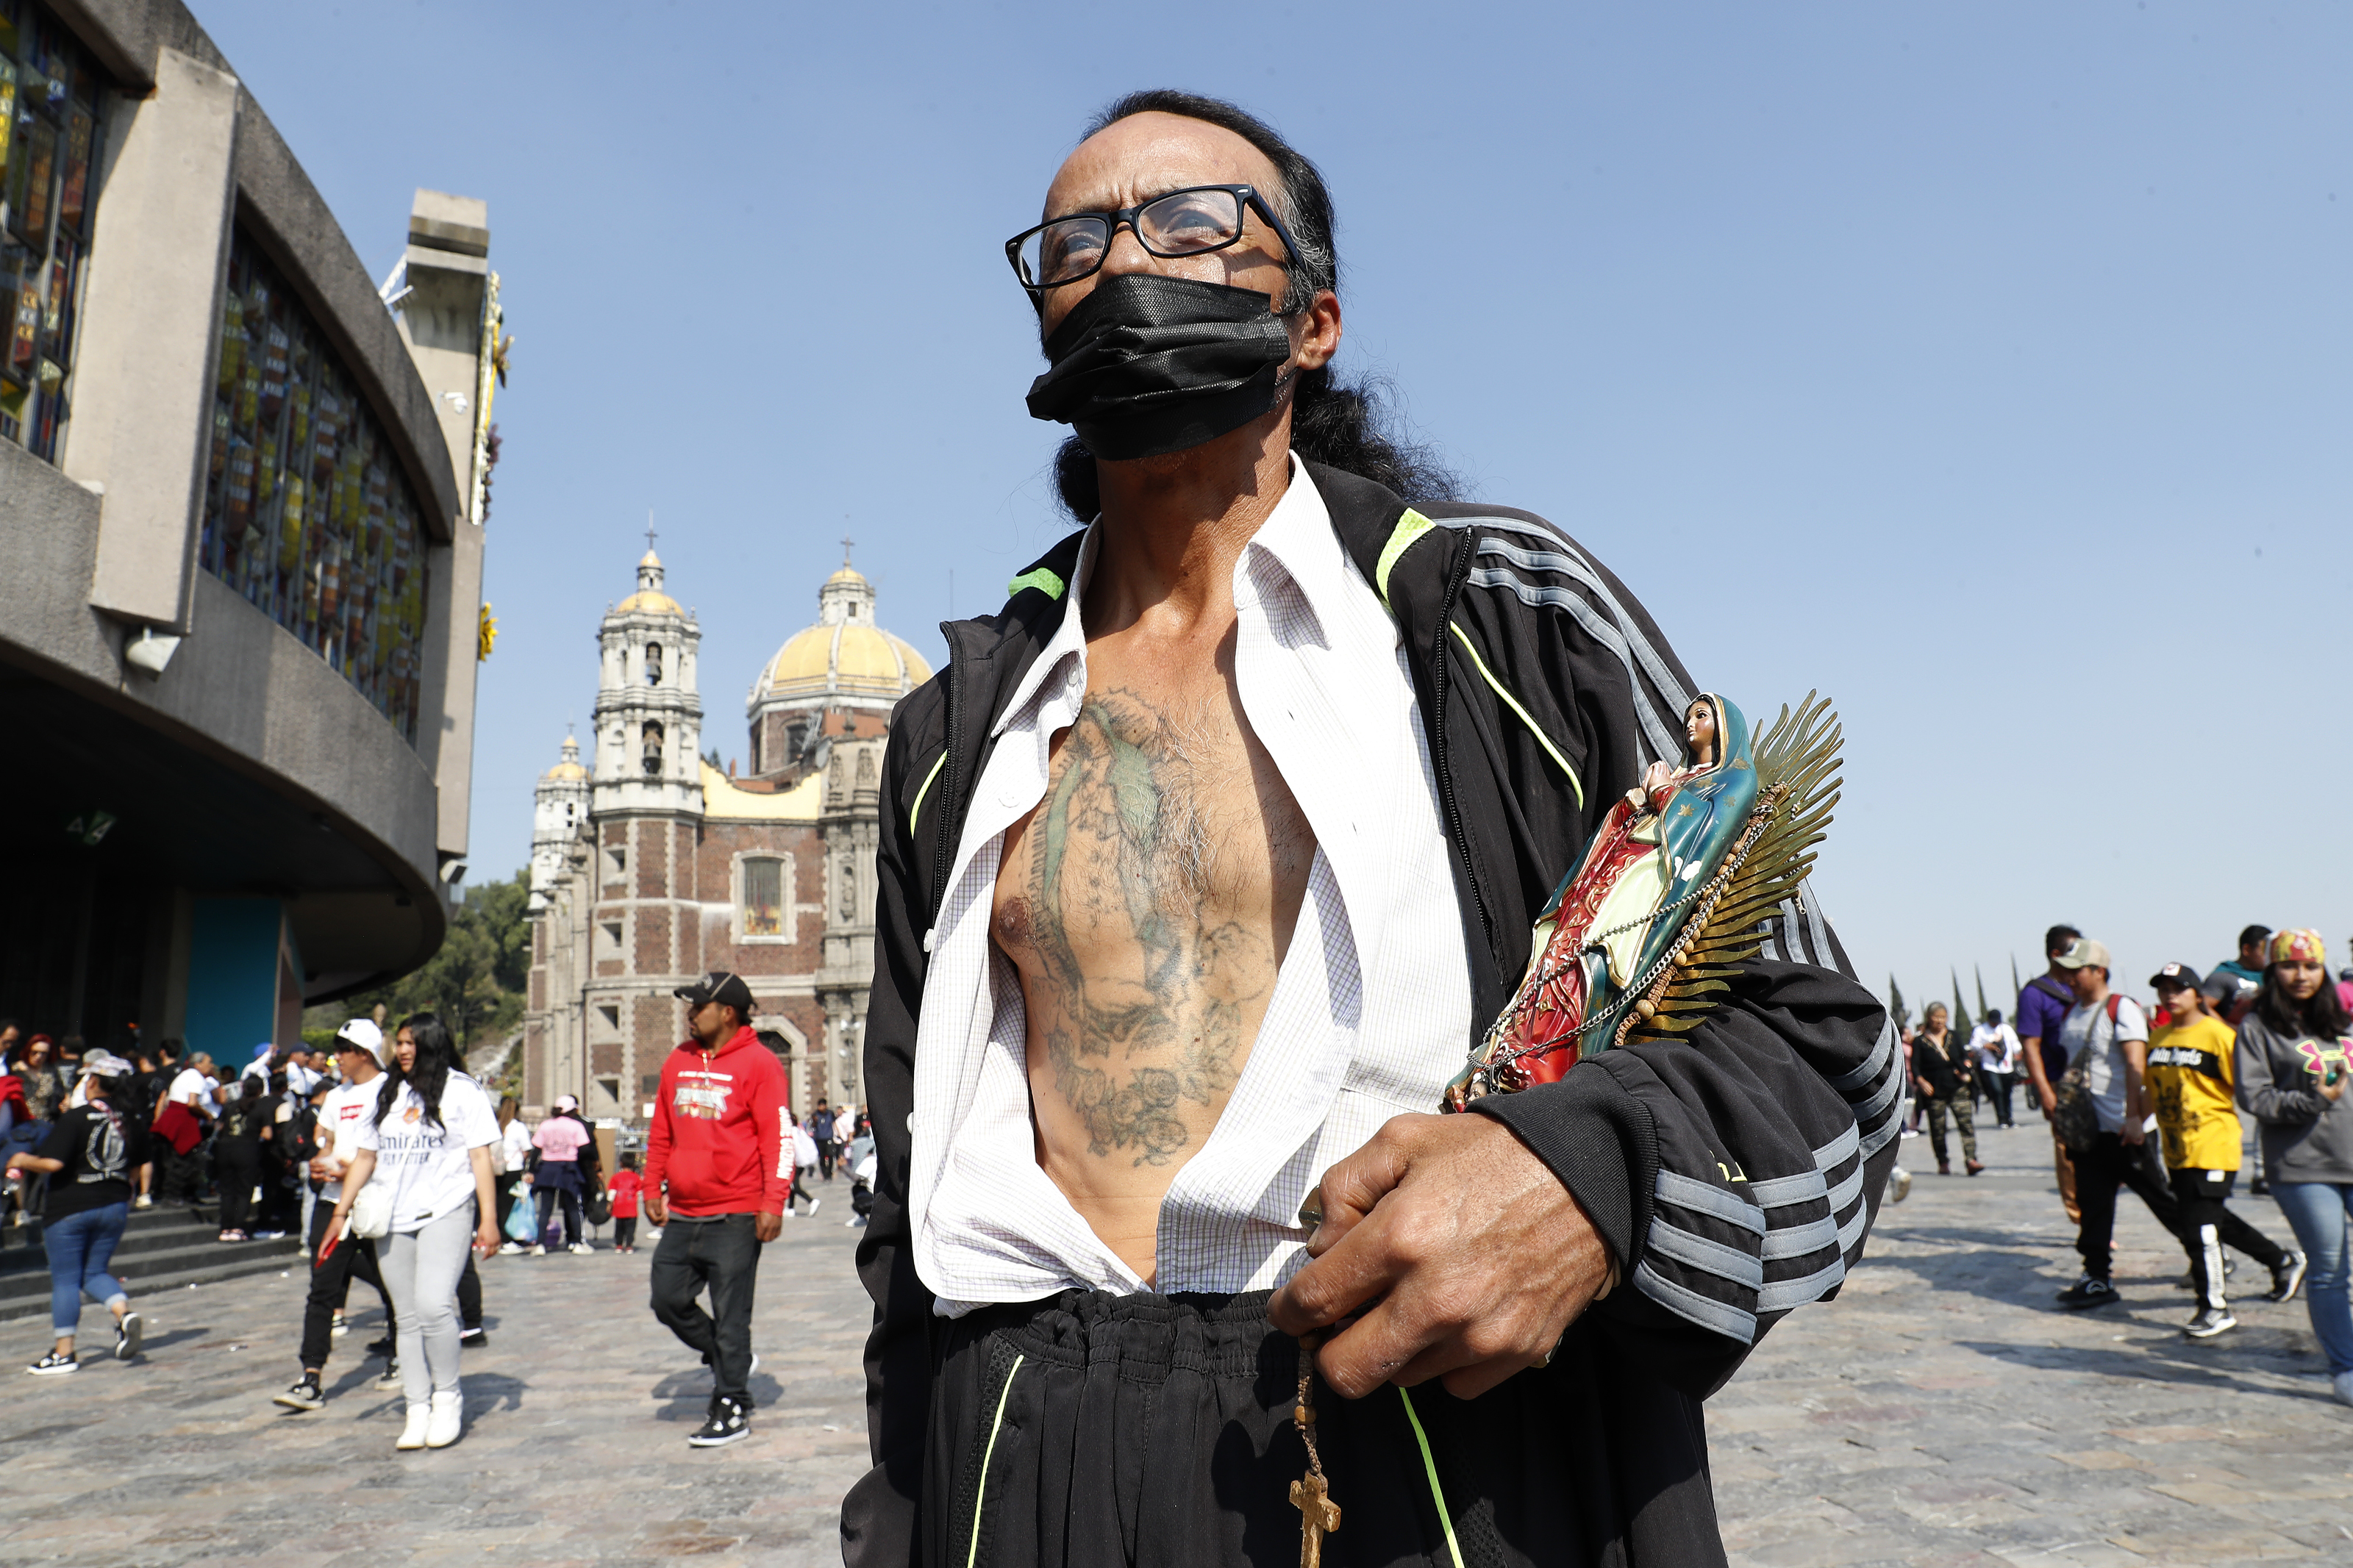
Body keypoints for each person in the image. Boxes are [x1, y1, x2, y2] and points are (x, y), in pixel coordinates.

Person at [845, 91, 1896, 1568]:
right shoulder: (956, 726)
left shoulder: (1507, 620)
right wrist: (897, 1520)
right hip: (1020, 1453)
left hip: (1416, 1438)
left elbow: (1826, 1049)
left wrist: (1582, 1176)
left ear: (1312, 320)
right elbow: (903, 1205)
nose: (1124, 262)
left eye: (1192, 220)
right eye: (1074, 240)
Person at [321, 1012, 500, 1450]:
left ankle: (447, 1397)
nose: (402, 1050)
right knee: (406, 1316)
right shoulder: (387, 1092)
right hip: (393, 1215)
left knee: (434, 1305)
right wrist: (340, 1212)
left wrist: (490, 1219)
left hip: (447, 1208)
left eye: (411, 1042)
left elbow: (480, 1157)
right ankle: (416, 1406)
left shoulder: (462, 1090)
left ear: (433, 1044)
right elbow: (365, 1156)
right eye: (399, 1042)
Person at [643, 971, 788, 1448]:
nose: (689, 1013)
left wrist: (773, 1201)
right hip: (684, 1211)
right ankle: (731, 1358)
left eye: (698, 1005)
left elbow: (777, 1137)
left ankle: (731, 1402)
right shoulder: (677, 1060)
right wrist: (651, 1186)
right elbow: (662, 1129)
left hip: (737, 1212)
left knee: (731, 1315)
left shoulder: (761, 1064)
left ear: (727, 1011)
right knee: (667, 1298)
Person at [2143, 962, 2302, 1339]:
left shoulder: (2219, 1035)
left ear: (2197, 993)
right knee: (2210, 1217)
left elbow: (2247, 1088)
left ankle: (2214, 1307)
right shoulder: (2159, 1037)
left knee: (2201, 1229)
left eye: (2178, 988)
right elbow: (2150, 1088)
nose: (2170, 995)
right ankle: (2282, 1259)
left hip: (2213, 1142)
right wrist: (2136, 1122)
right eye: (2163, 989)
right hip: (2177, 1147)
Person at [2232, 930, 2353, 1406]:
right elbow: (2255, 1096)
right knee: (2329, 1266)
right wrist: (2310, 1100)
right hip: (2303, 1166)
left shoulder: (2341, 1020)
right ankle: (2345, 1367)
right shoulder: (2258, 1027)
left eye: (2310, 965)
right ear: (2272, 970)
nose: (2300, 975)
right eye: (2289, 965)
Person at [274, 1019, 403, 1411]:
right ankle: (311, 1377)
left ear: (364, 1053)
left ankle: (402, 1356)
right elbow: (326, 1143)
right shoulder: (334, 1096)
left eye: (343, 1050)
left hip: (380, 1201)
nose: (336, 1059)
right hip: (334, 1203)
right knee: (322, 1287)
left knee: (394, 1281)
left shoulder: (393, 1093)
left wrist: (356, 1171)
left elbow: (400, 1154)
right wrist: (320, 1163)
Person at [2051, 938, 2185, 1310]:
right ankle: (2096, 1276)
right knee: (2094, 1205)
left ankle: (2209, 1252)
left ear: (2098, 971)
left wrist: (2134, 1118)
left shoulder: (2120, 1008)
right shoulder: (2071, 1013)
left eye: (2077, 970)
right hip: (2091, 1132)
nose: (2070, 978)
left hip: (2126, 1129)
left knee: (2163, 1200)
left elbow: (2136, 1066)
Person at [4, 1050, 146, 1373]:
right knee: (94, 1272)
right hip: (114, 1205)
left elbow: (53, 1163)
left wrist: (21, 1160)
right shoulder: (132, 1120)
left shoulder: (76, 1117)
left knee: (66, 1280)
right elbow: (138, 1165)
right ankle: (123, 1314)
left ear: (93, 1081)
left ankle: (64, 1352)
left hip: (71, 1207)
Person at [2018, 923, 2085, 1223]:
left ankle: (2096, 1207)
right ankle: (2079, 1214)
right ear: (2056, 954)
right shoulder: (2035, 994)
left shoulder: (2082, 985)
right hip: (2059, 1082)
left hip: (2090, 1080)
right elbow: (2031, 1046)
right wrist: (2045, 1091)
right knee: (2067, 1149)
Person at [1910, 1003, 1983, 1176]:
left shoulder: (1954, 1036)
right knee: (1938, 1129)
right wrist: (1921, 1082)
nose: (1940, 1021)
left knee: (1966, 1125)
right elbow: (1915, 1066)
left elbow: (1964, 1057)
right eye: (1937, 1017)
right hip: (1935, 1091)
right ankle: (1943, 1161)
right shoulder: (1921, 1041)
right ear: (1929, 1017)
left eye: (1943, 1017)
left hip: (1957, 1088)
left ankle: (1971, 1159)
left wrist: (1966, 1065)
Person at [531, 1095, 599, 1255]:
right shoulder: (576, 1125)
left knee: (546, 1209)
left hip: (547, 1167)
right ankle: (576, 1242)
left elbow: (536, 1149)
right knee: (573, 1207)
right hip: (568, 1168)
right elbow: (585, 1148)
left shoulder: (546, 1125)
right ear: (572, 1110)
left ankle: (540, 1244)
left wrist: (531, 1170)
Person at [213, 1076, 274, 1242]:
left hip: (225, 1149)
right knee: (244, 1190)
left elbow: (218, 1127)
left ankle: (225, 1228)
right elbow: (267, 1134)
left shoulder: (231, 1105)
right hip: (247, 1150)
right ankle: (238, 1228)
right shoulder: (262, 1107)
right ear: (260, 1090)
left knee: (227, 1191)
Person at [1971, 1008, 2022, 1129]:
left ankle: (2009, 1118)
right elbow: (1973, 1045)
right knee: (1997, 1091)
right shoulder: (1980, 1030)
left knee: (2007, 1093)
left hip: (2006, 1066)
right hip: (1990, 1066)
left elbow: (2015, 1043)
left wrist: (2019, 1052)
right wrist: (1985, 1045)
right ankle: (2001, 1118)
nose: (1995, 1024)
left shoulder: (2006, 1029)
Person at [610, 1153, 643, 1253]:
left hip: (619, 1207)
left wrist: (609, 1203)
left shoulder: (616, 1177)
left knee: (619, 1227)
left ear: (620, 1164)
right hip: (631, 1208)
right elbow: (640, 1192)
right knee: (631, 1228)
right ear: (633, 1164)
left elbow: (612, 1192)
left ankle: (619, 1245)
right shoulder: (636, 1178)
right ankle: (629, 1246)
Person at [789, 1116, 821, 1217]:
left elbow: (796, 1148)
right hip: (802, 1161)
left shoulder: (792, 1132)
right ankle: (790, 1208)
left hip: (797, 1161)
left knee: (795, 1186)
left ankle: (811, 1201)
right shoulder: (799, 1131)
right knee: (792, 1184)